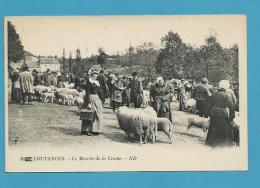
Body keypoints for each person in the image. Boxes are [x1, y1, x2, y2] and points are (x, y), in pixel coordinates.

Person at [206, 80, 235, 147]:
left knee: (213, 128)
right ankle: (220, 143)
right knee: (222, 129)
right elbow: (231, 107)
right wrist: (231, 118)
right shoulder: (227, 96)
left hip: (214, 113)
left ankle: (211, 142)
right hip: (223, 114)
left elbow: (209, 105)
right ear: (226, 87)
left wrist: (209, 114)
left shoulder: (214, 94)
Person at [82, 68, 104, 136]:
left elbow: (99, 91)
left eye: (96, 74)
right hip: (90, 98)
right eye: (95, 74)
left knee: (98, 114)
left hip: (97, 98)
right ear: (91, 75)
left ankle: (96, 130)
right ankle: (87, 130)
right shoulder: (89, 82)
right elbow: (87, 93)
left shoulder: (97, 82)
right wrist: (88, 102)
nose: (96, 75)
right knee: (90, 114)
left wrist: (101, 99)